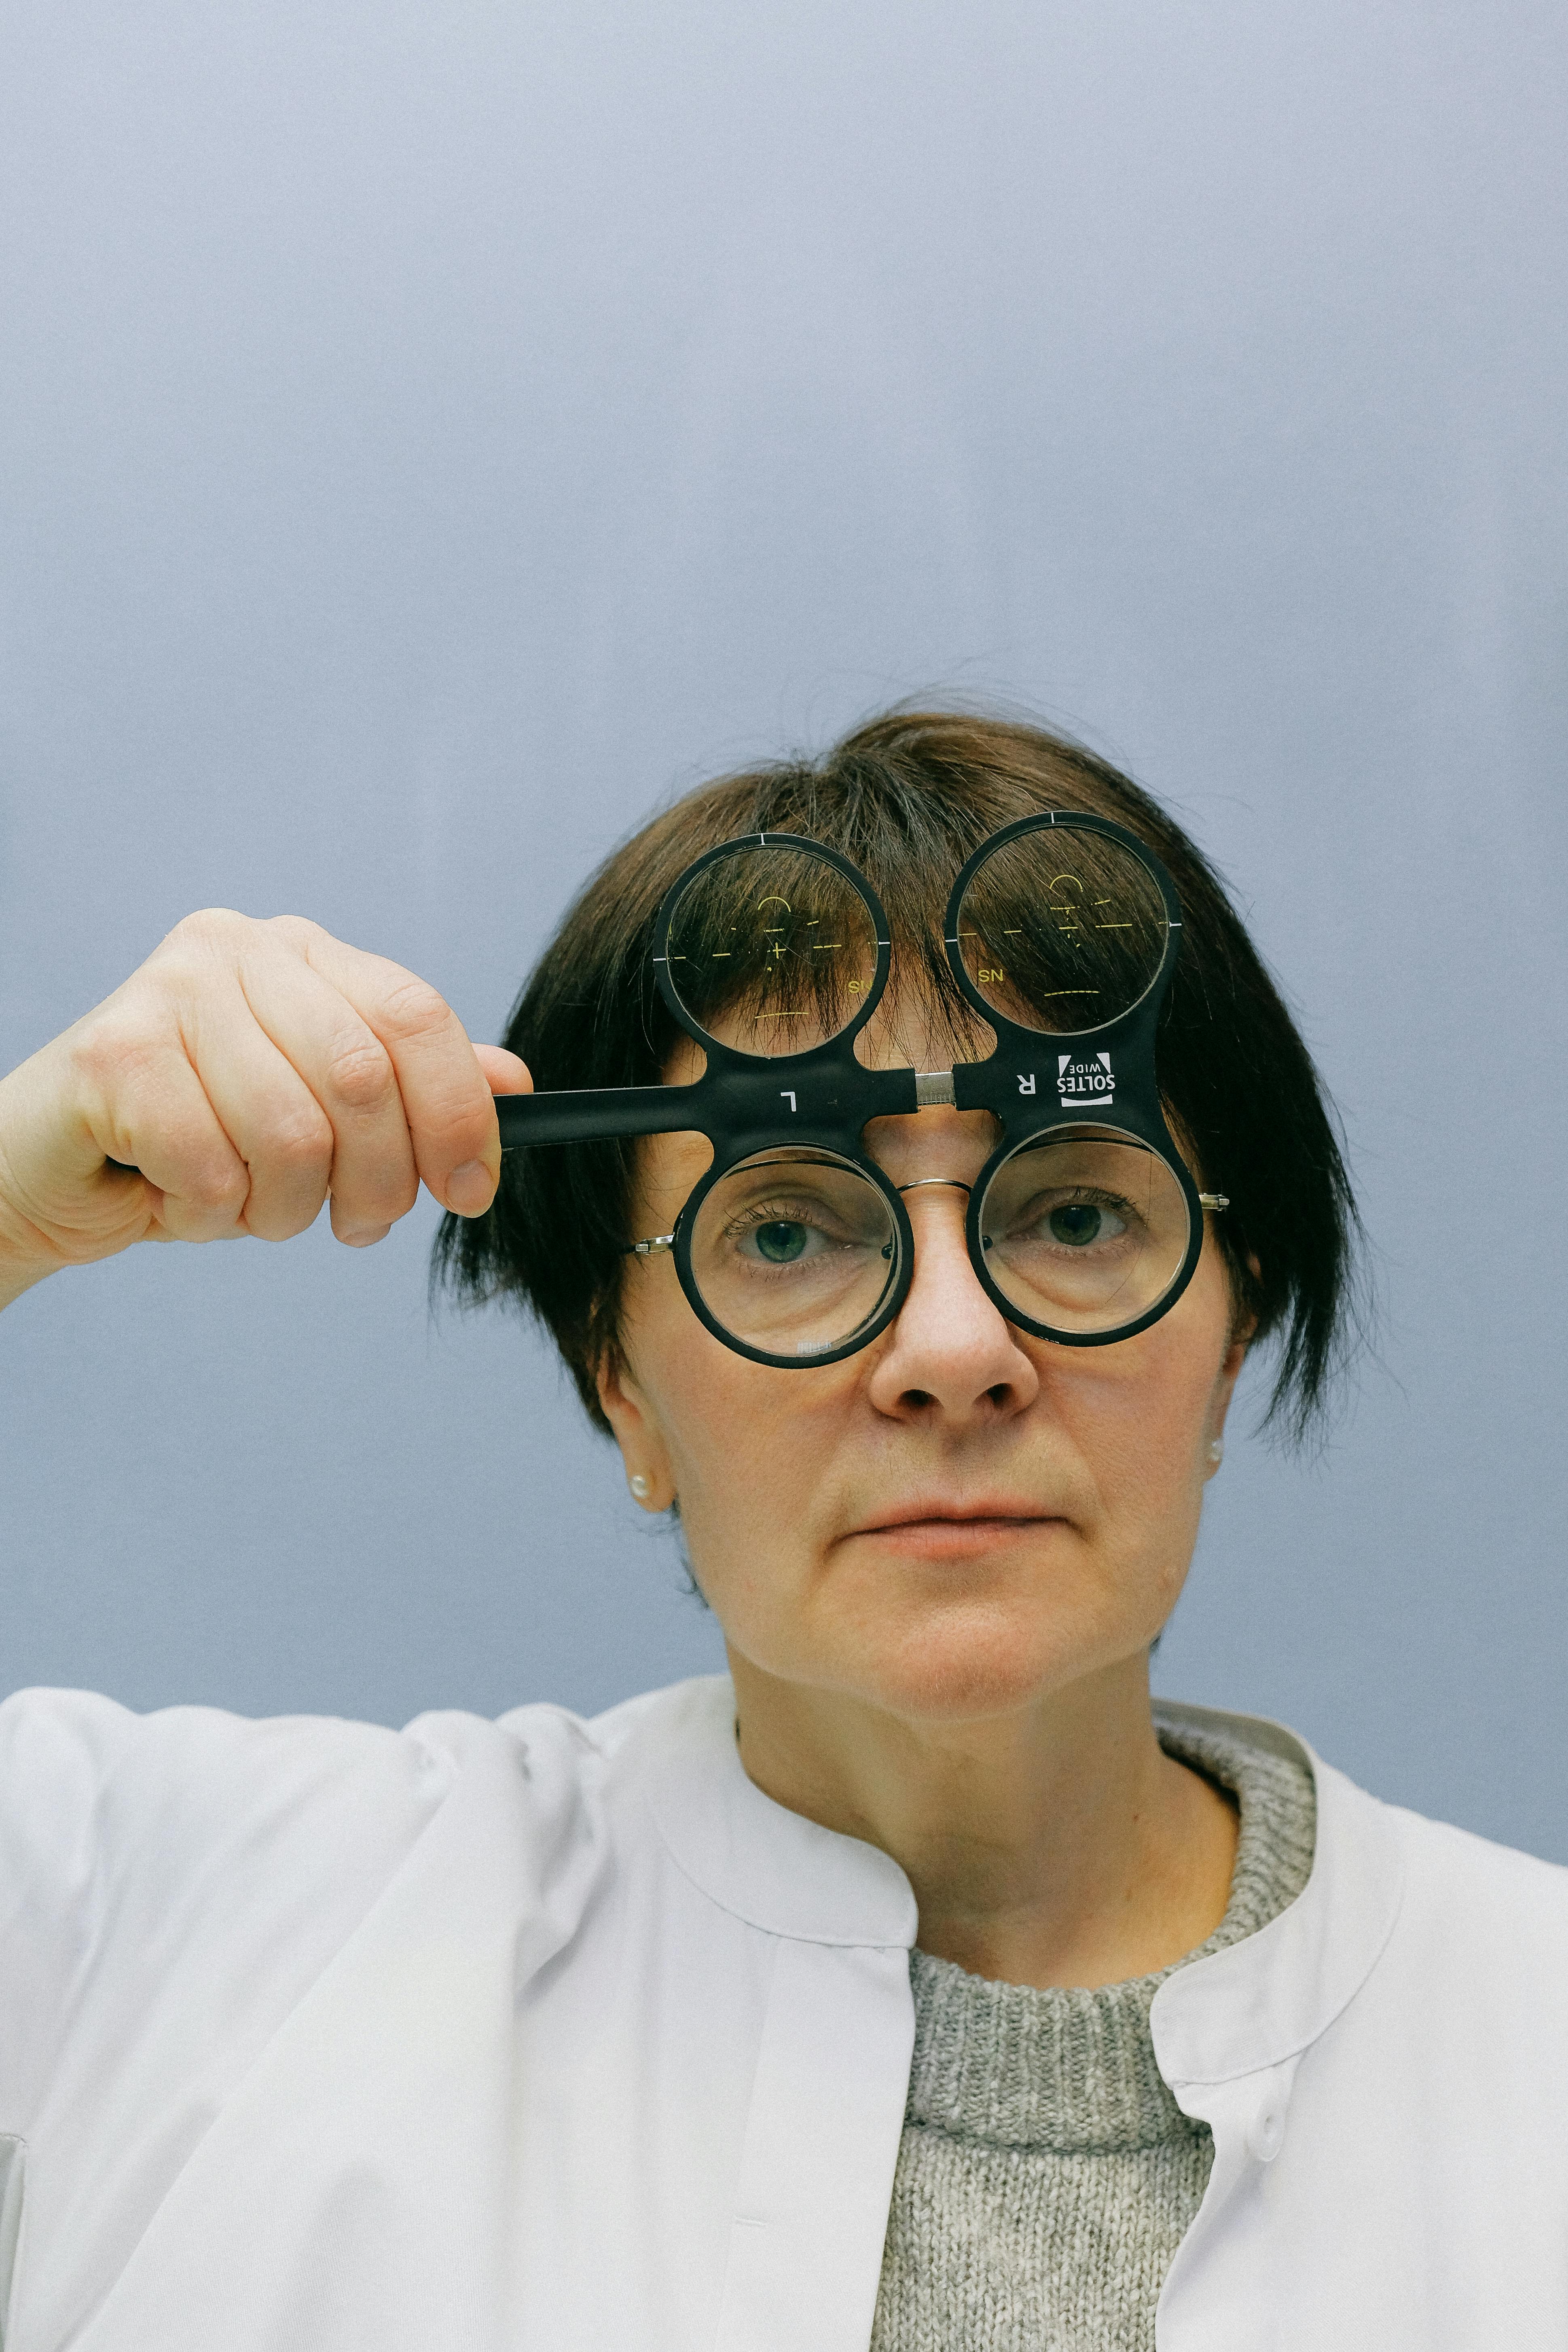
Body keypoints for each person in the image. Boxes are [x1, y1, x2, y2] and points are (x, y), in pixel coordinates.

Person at [0, 709, 1562, 2352]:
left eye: (1077, 1212)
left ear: (1234, 1326)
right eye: (791, 1228)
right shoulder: (149, 1937)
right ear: (620, 1380)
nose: (955, 1347)